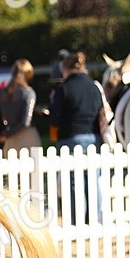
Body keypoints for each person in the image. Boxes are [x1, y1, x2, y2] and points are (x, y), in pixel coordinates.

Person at [49, 51, 106, 223]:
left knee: (74, 182)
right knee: (93, 179)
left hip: (71, 138)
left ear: (65, 69)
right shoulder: (94, 87)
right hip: (93, 138)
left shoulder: (63, 89)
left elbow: (55, 118)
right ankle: (95, 219)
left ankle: (78, 220)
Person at [0, 59, 41, 154]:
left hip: (10, 141)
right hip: (27, 138)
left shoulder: (3, 93)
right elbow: (25, 123)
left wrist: (6, 134)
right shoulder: (28, 93)